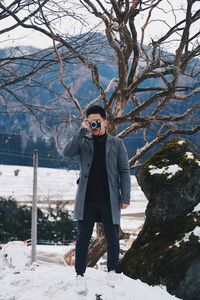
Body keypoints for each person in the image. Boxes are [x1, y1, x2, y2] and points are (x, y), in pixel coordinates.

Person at [63, 105, 131, 294]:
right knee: (82, 239)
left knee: (113, 238)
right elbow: (67, 152)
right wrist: (81, 130)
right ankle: (79, 276)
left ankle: (111, 272)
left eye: (97, 121)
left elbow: (125, 171)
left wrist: (125, 197)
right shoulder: (83, 141)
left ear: (105, 121)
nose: (94, 124)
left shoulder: (117, 144)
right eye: (91, 121)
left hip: (109, 199)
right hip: (87, 199)